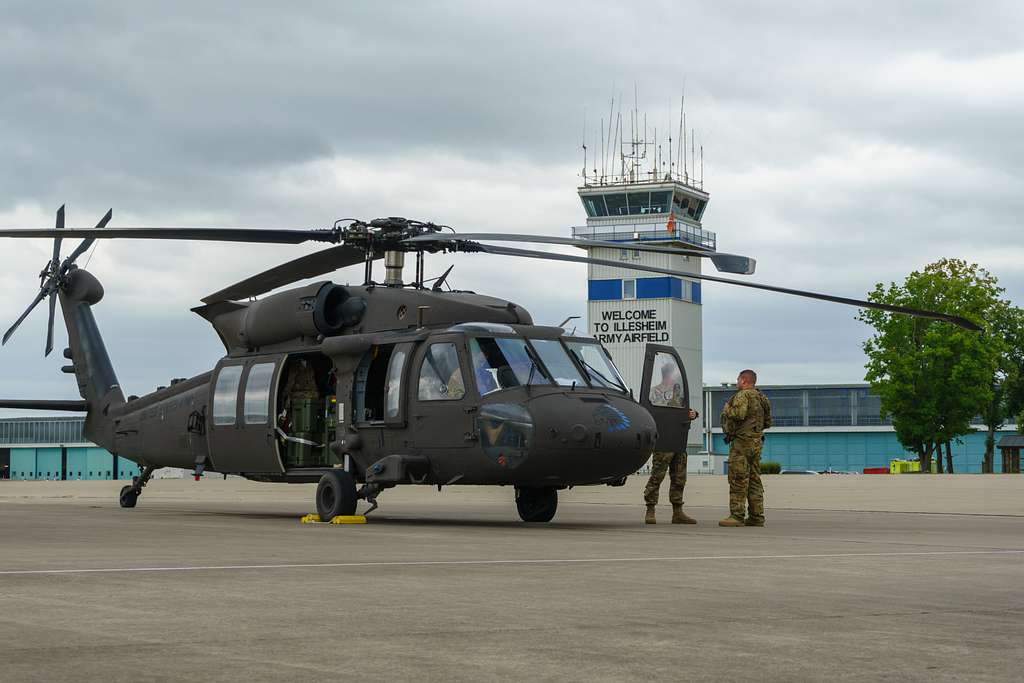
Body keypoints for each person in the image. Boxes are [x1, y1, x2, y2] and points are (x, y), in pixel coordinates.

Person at [643, 361, 698, 525]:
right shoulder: (654, 393)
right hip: (664, 440)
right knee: (657, 476)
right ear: (668, 375)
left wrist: (693, 414)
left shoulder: (678, 393)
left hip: (678, 439)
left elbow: (683, 411)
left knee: (679, 477)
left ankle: (677, 512)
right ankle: (650, 509)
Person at [719, 369, 772, 527]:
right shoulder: (762, 397)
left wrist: (727, 409)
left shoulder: (743, 395)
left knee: (738, 478)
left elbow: (739, 414)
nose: (737, 382)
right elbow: (768, 422)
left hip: (741, 443)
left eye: (738, 379)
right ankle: (757, 516)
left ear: (744, 380)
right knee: (754, 479)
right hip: (756, 443)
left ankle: (737, 515)